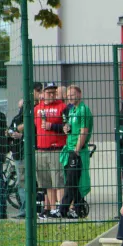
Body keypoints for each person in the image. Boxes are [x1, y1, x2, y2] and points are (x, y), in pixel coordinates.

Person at [57, 86, 93, 219]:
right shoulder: (72, 110)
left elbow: (84, 131)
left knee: (72, 182)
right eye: (68, 95)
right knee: (72, 180)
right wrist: (66, 128)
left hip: (77, 151)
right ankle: (79, 209)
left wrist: (77, 150)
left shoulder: (83, 109)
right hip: (69, 149)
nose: (70, 97)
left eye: (73, 94)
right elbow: (72, 128)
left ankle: (63, 209)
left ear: (80, 94)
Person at [34, 83, 68, 219]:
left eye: (54, 92)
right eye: (49, 93)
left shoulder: (62, 107)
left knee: (58, 180)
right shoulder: (37, 108)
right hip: (41, 150)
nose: (52, 95)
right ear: (43, 93)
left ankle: (61, 207)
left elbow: (67, 126)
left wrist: (52, 126)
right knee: (46, 182)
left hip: (56, 149)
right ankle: (52, 208)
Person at [8, 99, 26, 218]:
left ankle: (25, 210)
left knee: (23, 182)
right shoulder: (16, 118)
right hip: (17, 153)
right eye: (19, 107)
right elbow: (9, 130)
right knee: (21, 182)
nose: (21, 110)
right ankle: (24, 209)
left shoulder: (30, 118)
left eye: (22, 107)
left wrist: (21, 135)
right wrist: (10, 133)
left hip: (25, 153)